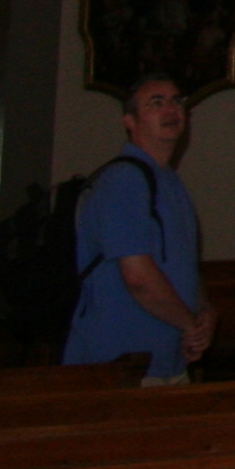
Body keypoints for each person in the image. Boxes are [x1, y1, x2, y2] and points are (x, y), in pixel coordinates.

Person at [62, 76, 212, 383]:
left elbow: (183, 265)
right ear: (130, 121)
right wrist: (189, 325)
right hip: (121, 365)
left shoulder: (169, 181)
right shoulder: (123, 181)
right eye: (156, 103)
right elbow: (138, 278)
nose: (170, 109)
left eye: (176, 101)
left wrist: (205, 312)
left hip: (166, 362)